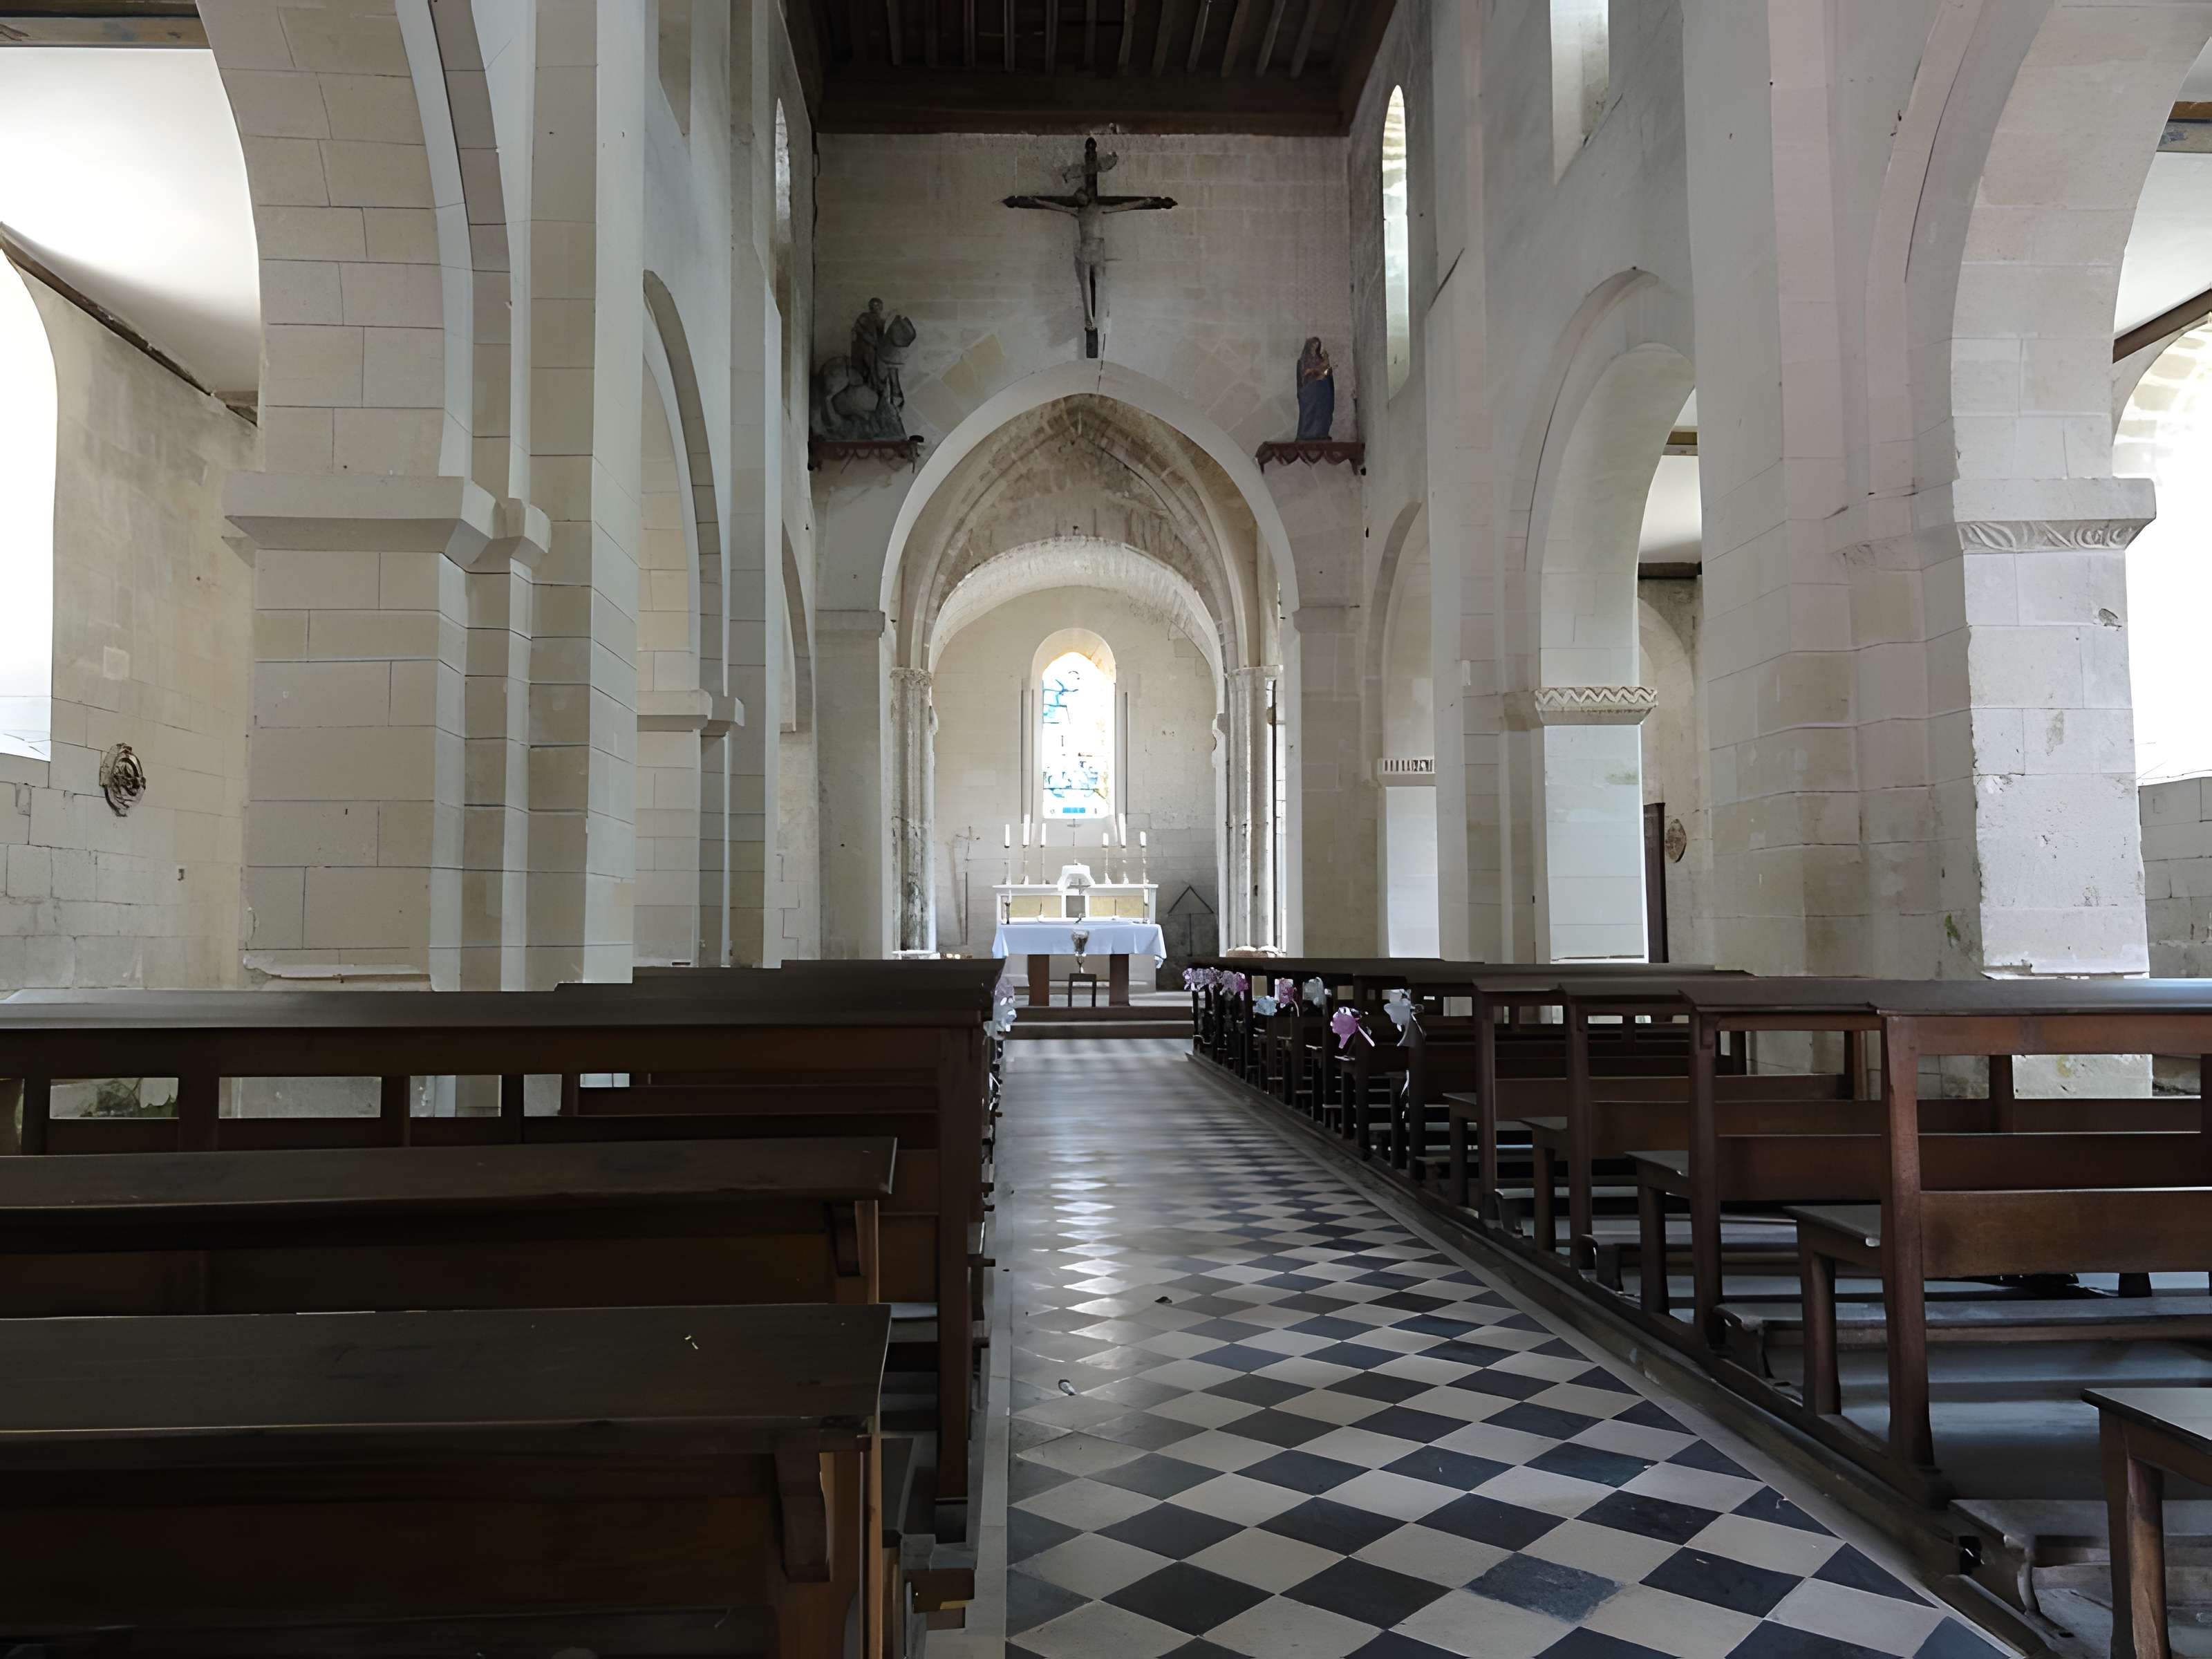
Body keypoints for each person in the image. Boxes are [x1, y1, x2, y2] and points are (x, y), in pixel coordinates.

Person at [1296, 337, 1335, 442]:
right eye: (1314, 345)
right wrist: (1314, 371)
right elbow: (1304, 375)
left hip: (1322, 389)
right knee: (1310, 410)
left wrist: (1327, 370)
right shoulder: (1304, 360)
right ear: (1309, 346)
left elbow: (1326, 373)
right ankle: (1307, 433)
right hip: (1310, 390)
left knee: (1323, 409)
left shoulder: (1320, 359)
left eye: (1317, 345)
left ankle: (1321, 432)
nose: (1315, 347)